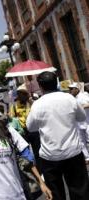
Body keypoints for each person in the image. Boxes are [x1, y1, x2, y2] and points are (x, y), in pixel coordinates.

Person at [27, 72, 89, 200]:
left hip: (50, 155)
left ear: (40, 86)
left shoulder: (37, 104)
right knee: (80, 191)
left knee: (56, 194)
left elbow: (30, 127)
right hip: (73, 152)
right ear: (56, 82)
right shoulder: (69, 98)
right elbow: (82, 117)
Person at [9, 84, 41, 172]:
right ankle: (30, 170)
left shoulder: (32, 103)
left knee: (38, 152)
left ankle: (40, 170)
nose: (21, 95)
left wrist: (31, 103)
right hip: (22, 132)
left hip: (34, 131)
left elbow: (38, 112)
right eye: (20, 93)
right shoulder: (14, 106)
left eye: (23, 93)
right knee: (25, 153)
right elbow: (12, 118)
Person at [69, 82, 89, 163]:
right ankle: (87, 158)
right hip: (78, 124)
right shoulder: (72, 98)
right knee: (81, 142)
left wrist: (81, 107)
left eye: (71, 89)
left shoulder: (83, 95)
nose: (70, 91)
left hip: (87, 123)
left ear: (76, 89)